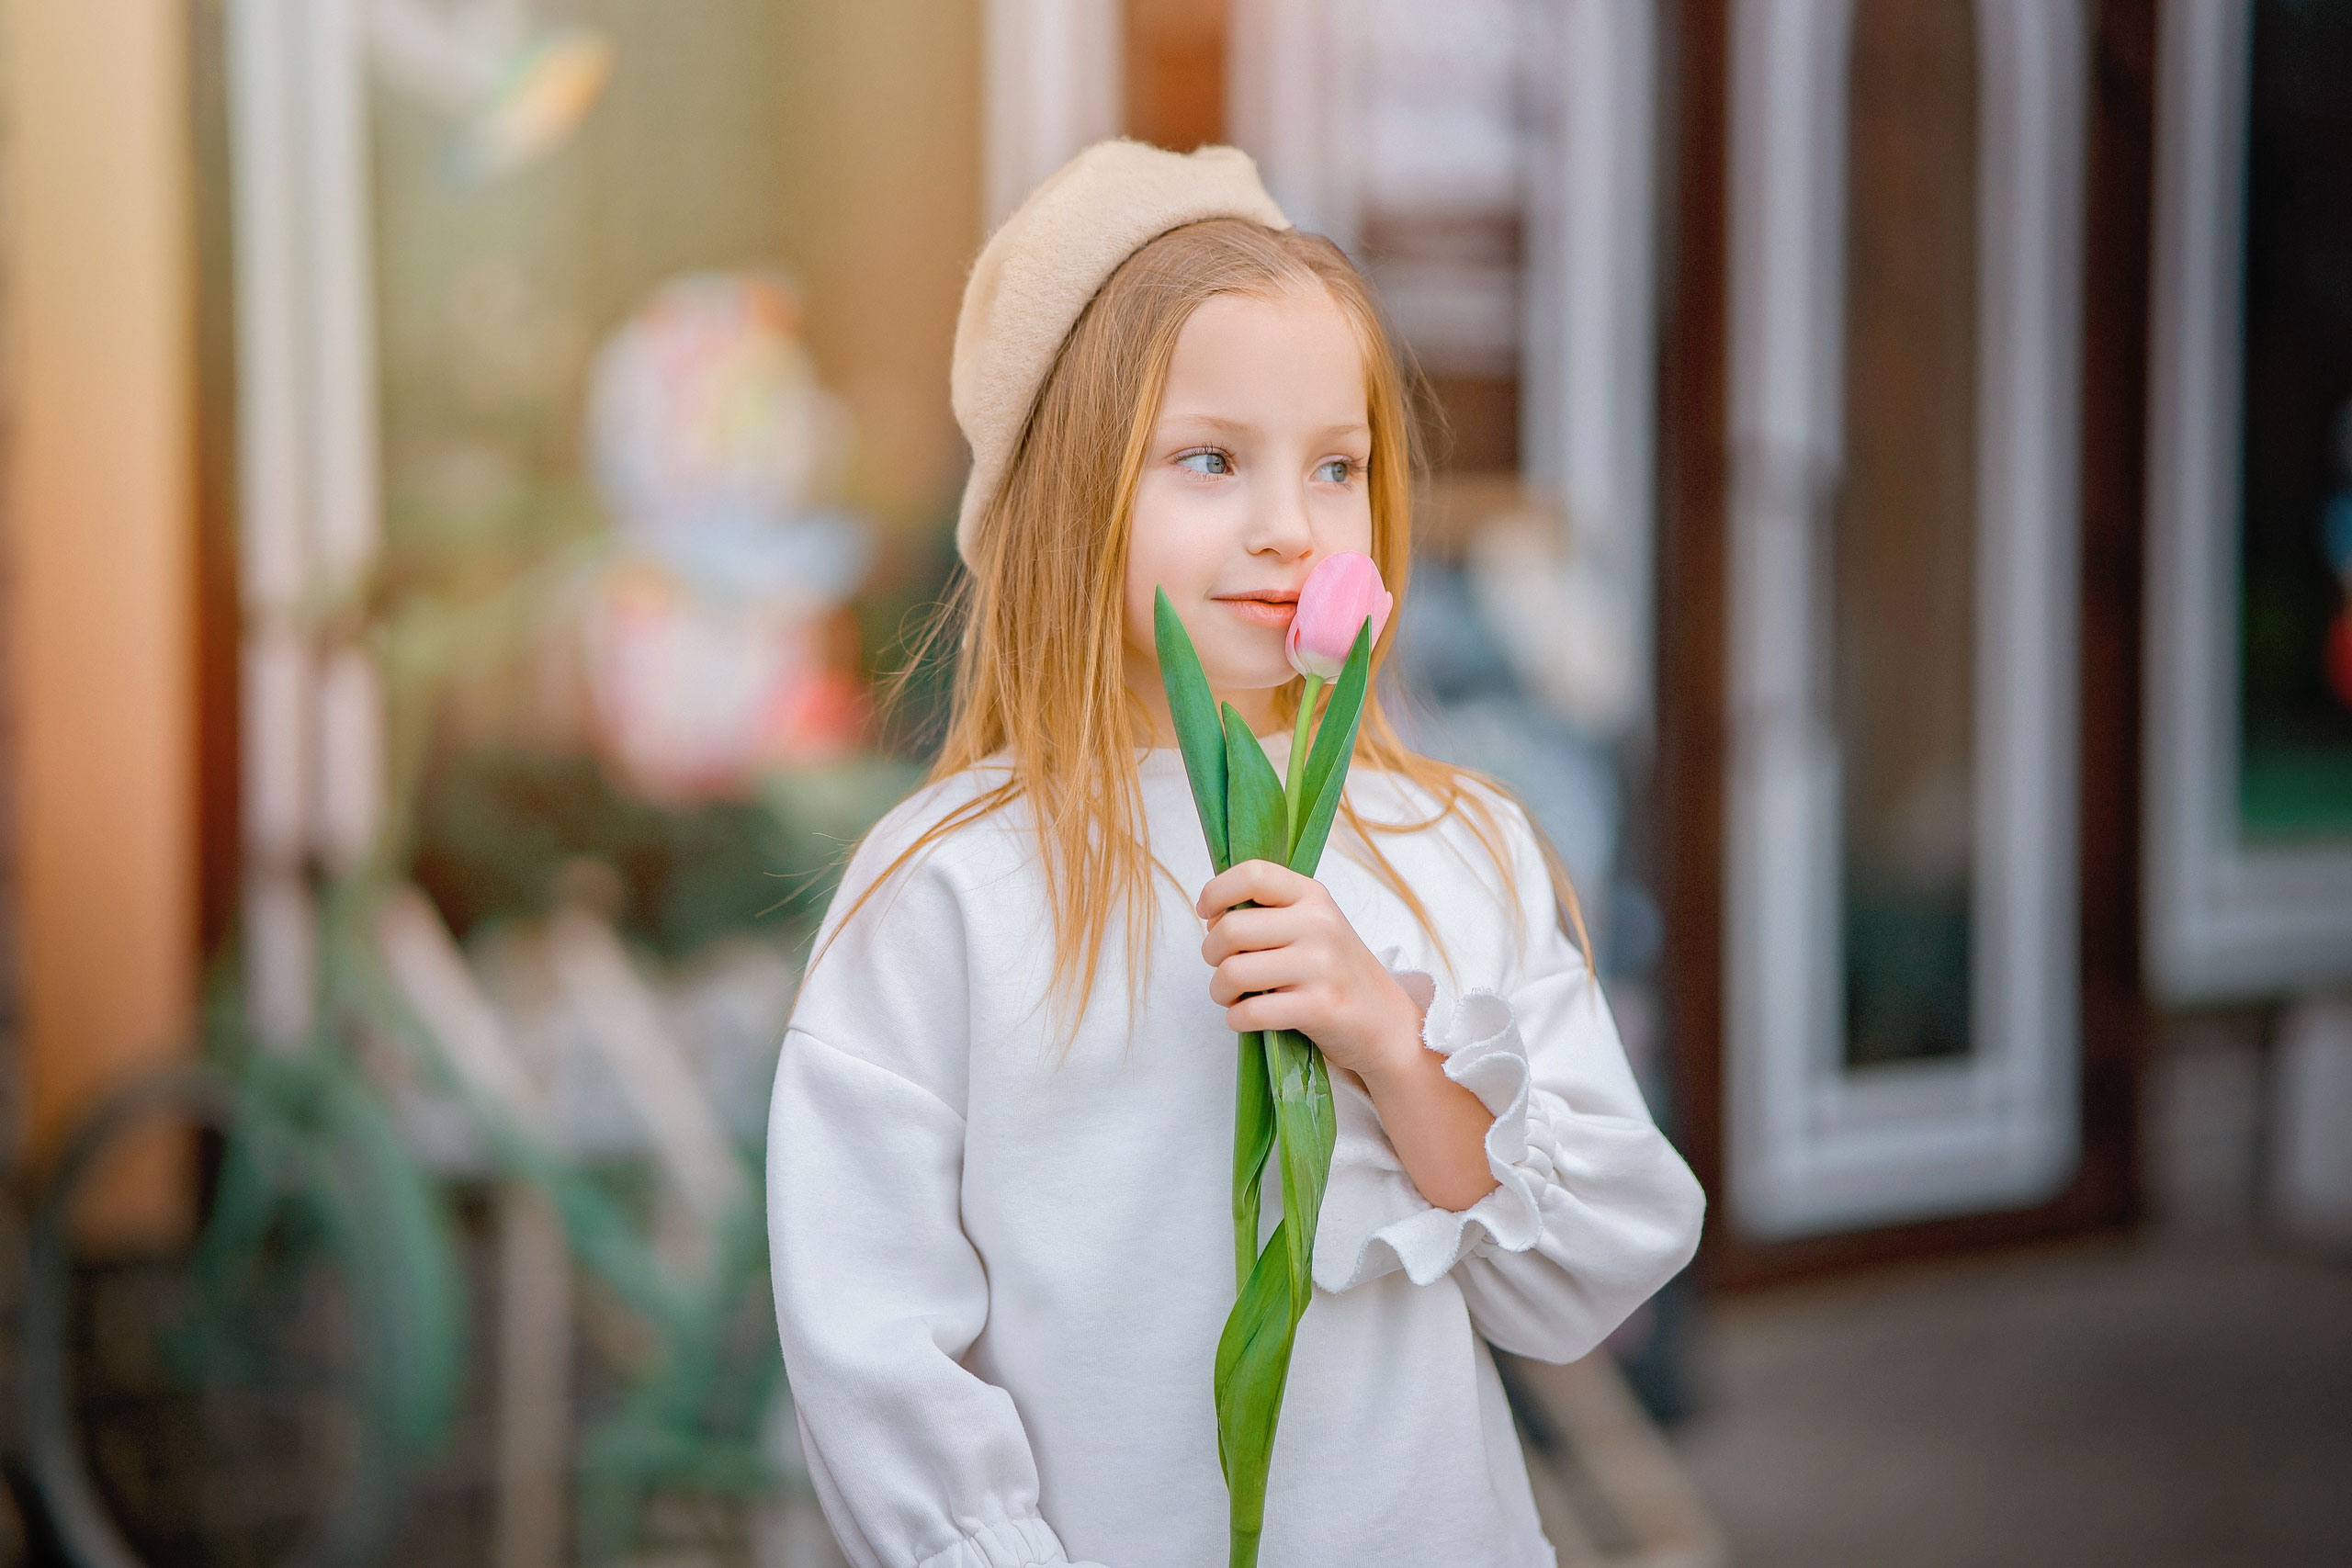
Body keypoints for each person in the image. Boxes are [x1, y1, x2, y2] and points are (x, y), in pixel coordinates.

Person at [765, 140, 1704, 1568]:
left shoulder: (1450, 845)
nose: (1288, 525)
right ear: (1066, 495)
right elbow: (877, 1346)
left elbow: (1584, 1280)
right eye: (1210, 460)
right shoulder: (947, 885)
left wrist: (1391, 1043)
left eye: (1337, 466)